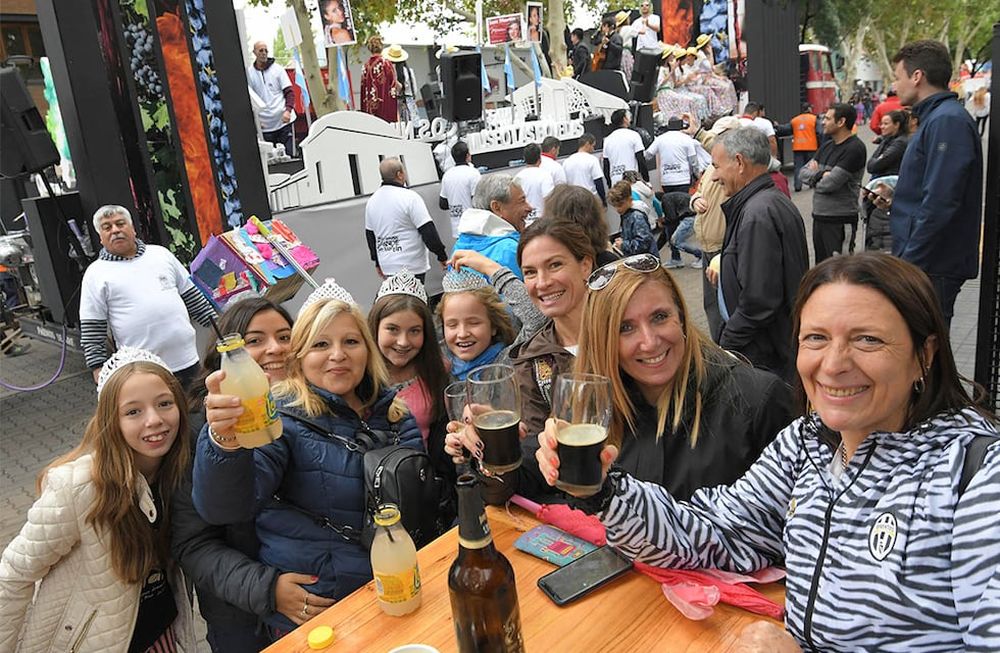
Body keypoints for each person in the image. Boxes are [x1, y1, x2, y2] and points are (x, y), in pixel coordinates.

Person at [536, 252, 1000, 652]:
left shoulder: (976, 476)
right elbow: (718, 534)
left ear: (925, 354)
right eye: (816, 338)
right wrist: (606, 491)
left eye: (867, 339)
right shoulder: (807, 442)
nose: (834, 365)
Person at [193, 281, 424, 638]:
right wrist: (224, 441)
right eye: (320, 344)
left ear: (368, 350)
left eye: (351, 341)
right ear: (299, 356)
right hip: (327, 614)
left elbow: (421, 500)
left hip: (401, 588)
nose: (338, 355)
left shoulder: (396, 414)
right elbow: (226, 508)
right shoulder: (280, 422)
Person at [0, 348, 196, 652]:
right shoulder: (77, 487)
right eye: (133, 411)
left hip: (160, 634)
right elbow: (13, 578)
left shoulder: (180, 472)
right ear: (111, 420)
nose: (154, 420)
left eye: (164, 403)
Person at [577, 255, 791, 499]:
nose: (649, 342)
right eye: (625, 328)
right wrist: (546, 459)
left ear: (680, 317)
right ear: (601, 342)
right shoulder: (596, 412)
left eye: (659, 317)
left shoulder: (757, 401)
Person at [172, 298, 313, 650]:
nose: (275, 348)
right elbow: (193, 544)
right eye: (255, 341)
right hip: (244, 620)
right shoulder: (199, 432)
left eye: (284, 336)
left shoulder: (312, 406)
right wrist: (267, 589)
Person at [888, 39, 984, 329]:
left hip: (933, 265)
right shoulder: (938, 119)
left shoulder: (946, 122)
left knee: (927, 352)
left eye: (897, 76)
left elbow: (941, 202)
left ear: (917, 77)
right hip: (929, 262)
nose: (895, 86)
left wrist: (908, 264)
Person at [80, 204, 218, 389]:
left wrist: (220, 329)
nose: (115, 230)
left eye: (120, 224)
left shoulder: (161, 255)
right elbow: (92, 327)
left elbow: (193, 298)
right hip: (144, 370)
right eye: (107, 227)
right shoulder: (95, 274)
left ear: (133, 229)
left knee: (198, 413)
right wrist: (97, 367)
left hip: (188, 360)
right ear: (101, 238)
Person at [709, 127, 809, 380]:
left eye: (716, 167)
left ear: (740, 162)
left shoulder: (757, 214)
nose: (713, 177)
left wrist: (728, 342)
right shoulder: (765, 204)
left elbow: (759, 300)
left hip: (766, 356)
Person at [688, 115, 741, 340]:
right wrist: (695, 201)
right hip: (708, 246)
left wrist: (699, 132)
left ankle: (728, 347)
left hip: (723, 247)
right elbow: (699, 191)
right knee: (712, 304)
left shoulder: (735, 166)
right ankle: (720, 347)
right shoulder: (713, 166)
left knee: (725, 304)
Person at [800, 102, 867, 264]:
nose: (823, 122)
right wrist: (821, 174)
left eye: (828, 118)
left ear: (841, 122)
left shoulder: (854, 149)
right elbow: (801, 173)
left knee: (840, 270)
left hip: (840, 221)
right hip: (819, 218)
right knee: (821, 268)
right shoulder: (827, 146)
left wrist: (815, 175)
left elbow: (830, 184)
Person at [364, 158, 448, 282]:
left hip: (387, 264)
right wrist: (442, 256)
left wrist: (377, 262)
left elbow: (370, 236)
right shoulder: (410, 197)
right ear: (399, 174)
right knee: (414, 299)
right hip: (411, 263)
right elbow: (427, 230)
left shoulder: (372, 201)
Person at [437, 268, 518, 381]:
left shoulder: (510, 359)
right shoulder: (440, 367)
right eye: (452, 325)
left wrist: (488, 266)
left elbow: (534, 318)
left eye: (473, 323)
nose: (462, 334)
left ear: (493, 326)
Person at [452, 173, 532, 279]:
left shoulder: (459, 247)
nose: (529, 207)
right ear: (497, 207)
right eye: (522, 201)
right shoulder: (511, 250)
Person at [247, 41, 295, 156]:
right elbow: (249, 100)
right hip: (265, 126)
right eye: (261, 50)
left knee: (289, 157)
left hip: (283, 122)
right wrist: (256, 121)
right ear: (254, 52)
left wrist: (288, 111)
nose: (264, 53)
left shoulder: (278, 69)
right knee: (270, 161)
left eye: (266, 50)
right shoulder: (249, 73)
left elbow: (289, 92)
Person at [644, 115, 701, 195]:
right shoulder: (687, 139)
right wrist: (697, 175)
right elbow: (693, 161)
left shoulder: (660, 139)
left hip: (666, 181)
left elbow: (647, 155)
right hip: (683, 179)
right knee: (682, 203)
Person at [439, 141, 482, 239]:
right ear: (468, 155)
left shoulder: (447, 175)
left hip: (457, 229)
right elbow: (478, 202)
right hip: (474, 228)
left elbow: (443, 204)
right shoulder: (473, 173)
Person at [609, 181, 658, 257]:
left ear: (630, 200)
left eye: (620, 205)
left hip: (646, 260)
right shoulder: (626, 213)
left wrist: (623, 244)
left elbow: (644, 243)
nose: (617, 209)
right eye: (615, 206)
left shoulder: (637, 217)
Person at [602, 109, 649, 185]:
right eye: (629, 116)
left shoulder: (607, 140)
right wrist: (646, 179)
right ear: (625, 119)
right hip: (631, 179)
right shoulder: (634, 135)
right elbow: (640, 158)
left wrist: (609, 184)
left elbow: (606, 165)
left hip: (615, 181)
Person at [360, 35, 398, 123]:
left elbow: (363, 90)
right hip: (385, 108)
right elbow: (393, 85)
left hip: (369, 109)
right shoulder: (386, 63)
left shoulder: (365, 66)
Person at [515, 143, 555, 223]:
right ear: (540, 159)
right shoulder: (545, 176)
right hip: (541, 222)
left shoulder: (517, 177)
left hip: (523, 221)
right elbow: (550, 200)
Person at [563, 133, 607, 205]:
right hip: (589, 198)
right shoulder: (592, 160)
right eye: (592, 146)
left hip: (573, 199)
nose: (593, 149)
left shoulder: (567, 162)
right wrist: (603, 200)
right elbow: (598, 182)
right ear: (587, 144)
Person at [789, 103, 820, 192]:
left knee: (798, 167)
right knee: (811, 166)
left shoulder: (795, 120)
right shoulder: (814, 119)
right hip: (811, 146)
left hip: (798, 147)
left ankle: (798, 186)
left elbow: (787, 129)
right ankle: (811, 183)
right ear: (809, 109)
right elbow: (819, 132)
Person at [385, 44, 418, 123]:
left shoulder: (390, 72)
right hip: (410, 103)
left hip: (396, 104)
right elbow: (415, 90)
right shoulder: (409, 71)